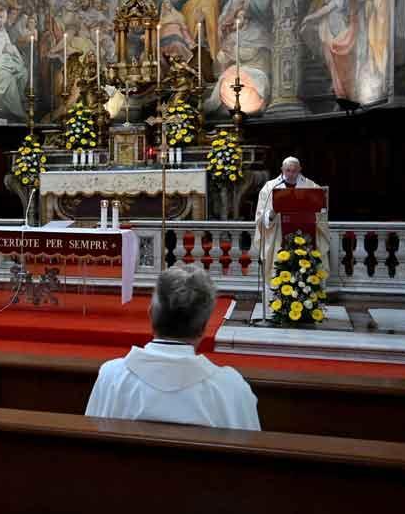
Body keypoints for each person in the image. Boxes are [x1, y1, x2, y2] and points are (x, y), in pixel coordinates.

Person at [86, 267, 260, 431]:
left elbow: (90, 447)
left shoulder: (112, 378)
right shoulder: (230, 388)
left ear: (151, 313)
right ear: (204, 325)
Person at [253, 156, 330, 286]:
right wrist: (271, 214)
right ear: (282, 169)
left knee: (305, 274)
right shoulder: (270, 187)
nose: (291, 174)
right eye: (288, 170)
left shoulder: (311, 186)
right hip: (278, 236)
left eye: (294, 171)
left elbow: (321, 213)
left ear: (300, 169)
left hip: (306, 236)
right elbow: (261, 215)